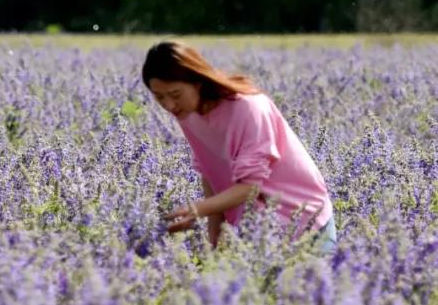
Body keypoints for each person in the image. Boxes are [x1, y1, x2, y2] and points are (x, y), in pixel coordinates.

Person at [142, 41, 336, 254]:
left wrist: (196, 211)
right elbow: (209, 170)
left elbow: (250, 186)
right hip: (254, 229)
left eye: (175, 94)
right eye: (159, 97)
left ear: (197, 82)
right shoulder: (187, 112)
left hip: (302, 221)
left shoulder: (248, 108)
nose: (169, 106)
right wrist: (214, 229)